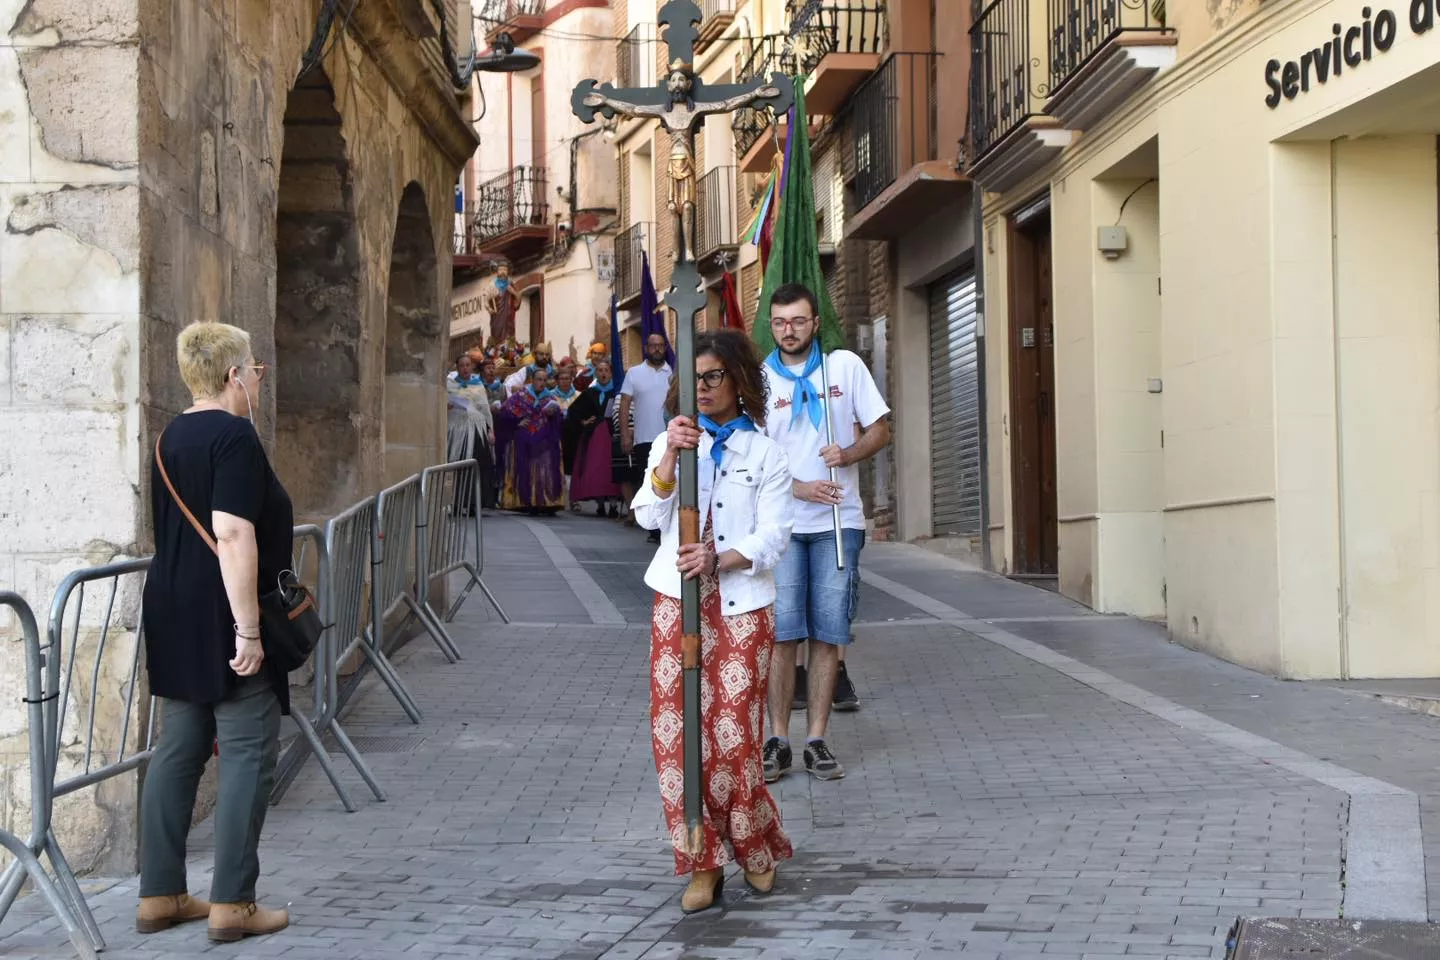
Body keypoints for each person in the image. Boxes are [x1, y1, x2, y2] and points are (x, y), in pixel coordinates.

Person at [631, 329, 794, 914]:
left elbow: (774, 536)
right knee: (676, 736)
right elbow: (647, 515)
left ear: (738, 380)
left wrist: (718, 559)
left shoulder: (766, 453)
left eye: (713, 377)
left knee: (732, 737)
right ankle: (701, 862)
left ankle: (752, 845)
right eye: (694, 379)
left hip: (741, 605)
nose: (701, 388)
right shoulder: (673, 442)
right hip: (676, 603)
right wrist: (669, 458)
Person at [138, 321, 291, 943]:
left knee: (177, 750)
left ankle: (160, 894)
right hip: (225, 610)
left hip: (173, 606)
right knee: (248, 752)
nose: (259, 378)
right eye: (256, 369)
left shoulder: (169, 436)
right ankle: (234, 902)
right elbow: (230, 531)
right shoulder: (234, 436)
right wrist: (249, 631)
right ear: (233, 376)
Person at [760, 283, 890, 784]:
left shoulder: (844, 367)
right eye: (779, 322)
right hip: (783, 526)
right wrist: (800, 488)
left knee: (828, 634)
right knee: (782, 635)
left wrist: (848, 453)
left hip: (839, 523)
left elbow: (880, 428)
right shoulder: (760, 378)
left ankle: (816, 739)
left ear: (815, 323)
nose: (788, 330)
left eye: (798, 321)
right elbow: (755, 459)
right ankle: (778, 740)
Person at [620, 333, 674, 543]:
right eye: (653, 346)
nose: (657, 349)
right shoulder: (634, 373)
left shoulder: (673, 373)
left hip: (670, 437)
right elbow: (624, 404)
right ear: (646, 348)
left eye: (661, 345)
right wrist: (625, 434)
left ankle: (665, 527)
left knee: (669, 480)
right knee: (649, 481)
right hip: (643, 438)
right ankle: (654, 528)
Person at [496, 367, 565, 513]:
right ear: (532, 380)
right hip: (523, 439)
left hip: (544, 440)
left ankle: (545, 502)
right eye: (539, 379)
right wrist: (517, 422)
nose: (542, 383)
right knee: (524, 466)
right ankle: (523, 501)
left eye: (545, 380)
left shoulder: (551, 399)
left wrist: (553, 415)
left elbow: (559, 420)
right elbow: (505, 412)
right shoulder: (520, 396)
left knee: (545, 467)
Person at [563, 358, 623, 515]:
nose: (603, 373)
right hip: (594, 437)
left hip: (612, 435)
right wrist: (583, 421)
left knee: (611, 469)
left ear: (611, 373)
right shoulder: (590, 393)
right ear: (596, 373)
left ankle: (613, 505)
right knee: (597, 469)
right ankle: (600, 504)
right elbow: (573, 411)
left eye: (606, 370)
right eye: (600, 370)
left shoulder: (617, 392)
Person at [446, 354, 497, 511]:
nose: (465, 368)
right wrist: (447, 405)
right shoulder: (450, 384)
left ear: (472, 367)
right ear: (457, 367)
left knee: (477, 465)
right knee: (457, 465)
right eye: (462, 365)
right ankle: (455, 502)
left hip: (476, 429)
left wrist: (490, 430)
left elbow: (485, 410)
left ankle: (475, 502)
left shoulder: (479, 386)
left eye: (468, 365)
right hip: (456, 429)